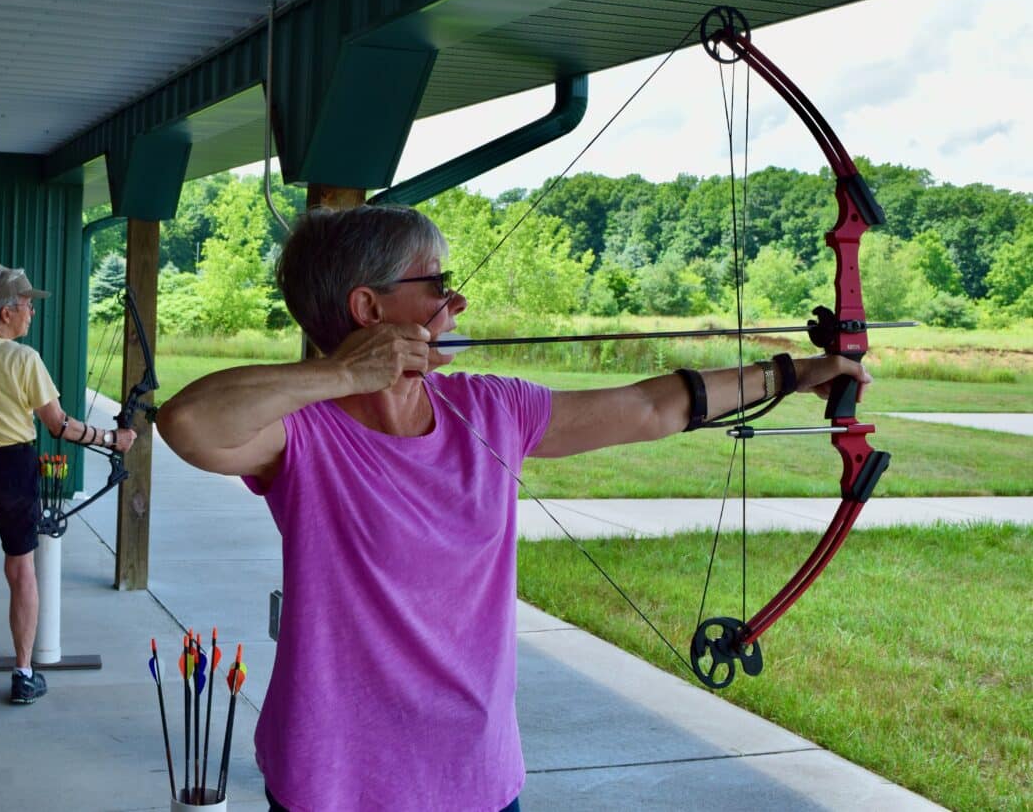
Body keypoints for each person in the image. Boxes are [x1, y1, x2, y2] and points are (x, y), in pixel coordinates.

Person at [157, 205, 872, 812]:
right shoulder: (304, 433)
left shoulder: (490, 409)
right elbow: (187, 422)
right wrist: (342, 372)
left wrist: (792, 373)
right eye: (436, 283)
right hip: (336, 777)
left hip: (476, 771)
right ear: (369, 308)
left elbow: (654, 405)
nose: (456, 301)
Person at [0, 264, 136, 705]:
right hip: (14, 467)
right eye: (26, 304)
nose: (31, 312)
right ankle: (23, 672)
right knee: (21, 571)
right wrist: (114, 439)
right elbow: (60, 426)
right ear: (4, 313)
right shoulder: (24, 359)